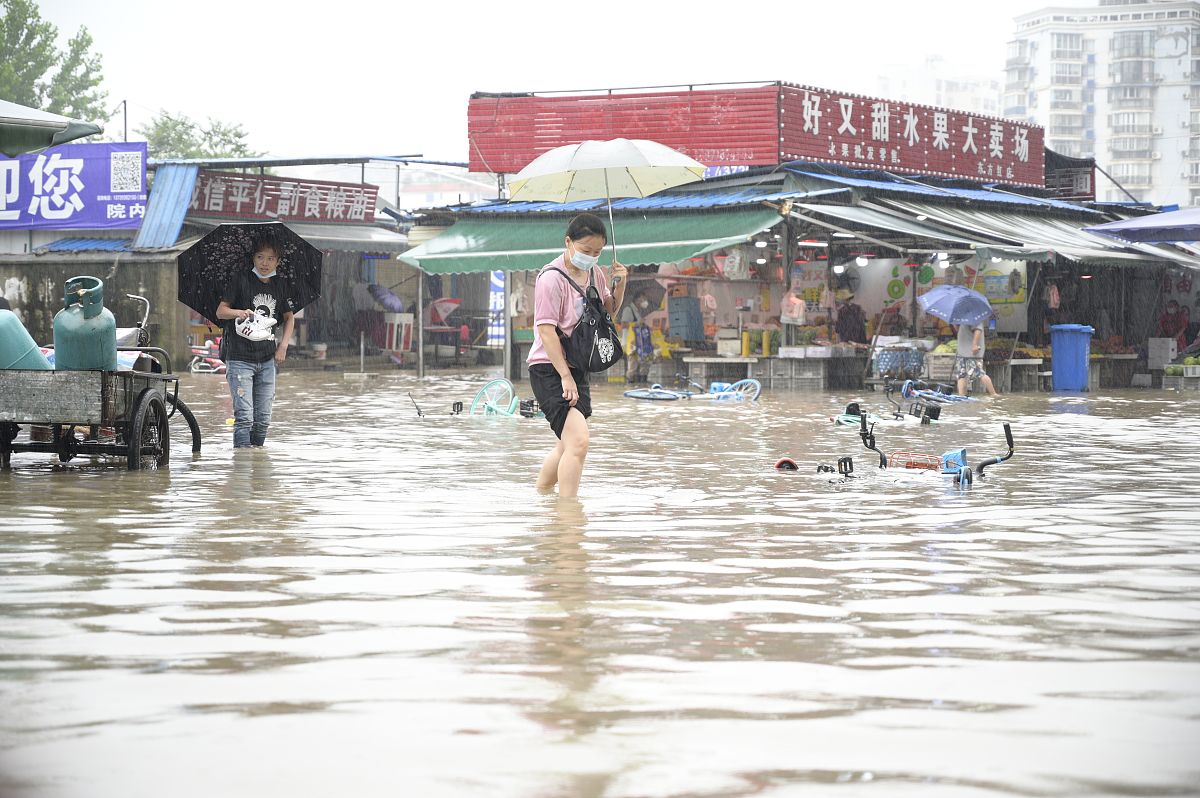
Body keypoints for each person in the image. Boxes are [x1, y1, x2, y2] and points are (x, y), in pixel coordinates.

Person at [527, 213, 627, 498]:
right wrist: (565, 377)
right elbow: (546, 331)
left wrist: (621, 283)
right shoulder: (551, 279)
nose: (591, 257)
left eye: (597, 252)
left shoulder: (595, 273)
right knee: (579, 441)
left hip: (578, 364)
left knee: (566, 443)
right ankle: (569, 513)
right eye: (586, 250)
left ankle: (542, 495)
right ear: (568, 242)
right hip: (549, 368)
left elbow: (609, 311)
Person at [216, 239, 295, 449]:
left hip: (267, 360)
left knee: (262, 421)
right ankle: (242, 463)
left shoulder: (280, 285)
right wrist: (239, 312)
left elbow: (289, 317)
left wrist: (283, 346)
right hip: (239, 358)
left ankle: (257, 464)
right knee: (244, 417)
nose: (265, 263)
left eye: (270, 258)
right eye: (260, 257)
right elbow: (221, 311)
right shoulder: (241, 280)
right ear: (253, 258)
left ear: (278, 261)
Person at [955, 320, 997, 396]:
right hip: (962, 352)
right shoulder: (962, 319)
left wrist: (974, 345)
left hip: (971, 353)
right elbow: (960, 330)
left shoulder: (974, 318)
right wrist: (955, 324)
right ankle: (961, 395)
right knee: (961, 374)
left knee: (979, 373)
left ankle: (993, 393)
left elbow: (978, 330)